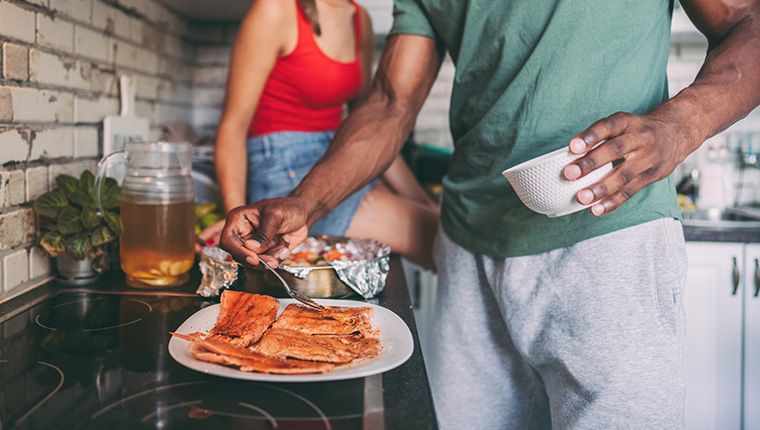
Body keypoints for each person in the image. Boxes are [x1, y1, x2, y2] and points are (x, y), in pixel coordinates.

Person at [221, 0, 760, 428]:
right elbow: (390, 102)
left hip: (608, 238)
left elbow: (747, 20)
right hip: (466, 252)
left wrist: (680, 124)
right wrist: (306, 201)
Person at [202, 0, 438, 269]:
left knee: (440, 225)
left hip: (337, 159)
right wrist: (237, 215)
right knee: (435, 238)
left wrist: (426, 202)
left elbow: (373, 129)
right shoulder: (275, 9)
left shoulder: (360, 19)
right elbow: (233, 127)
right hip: (283, 169)